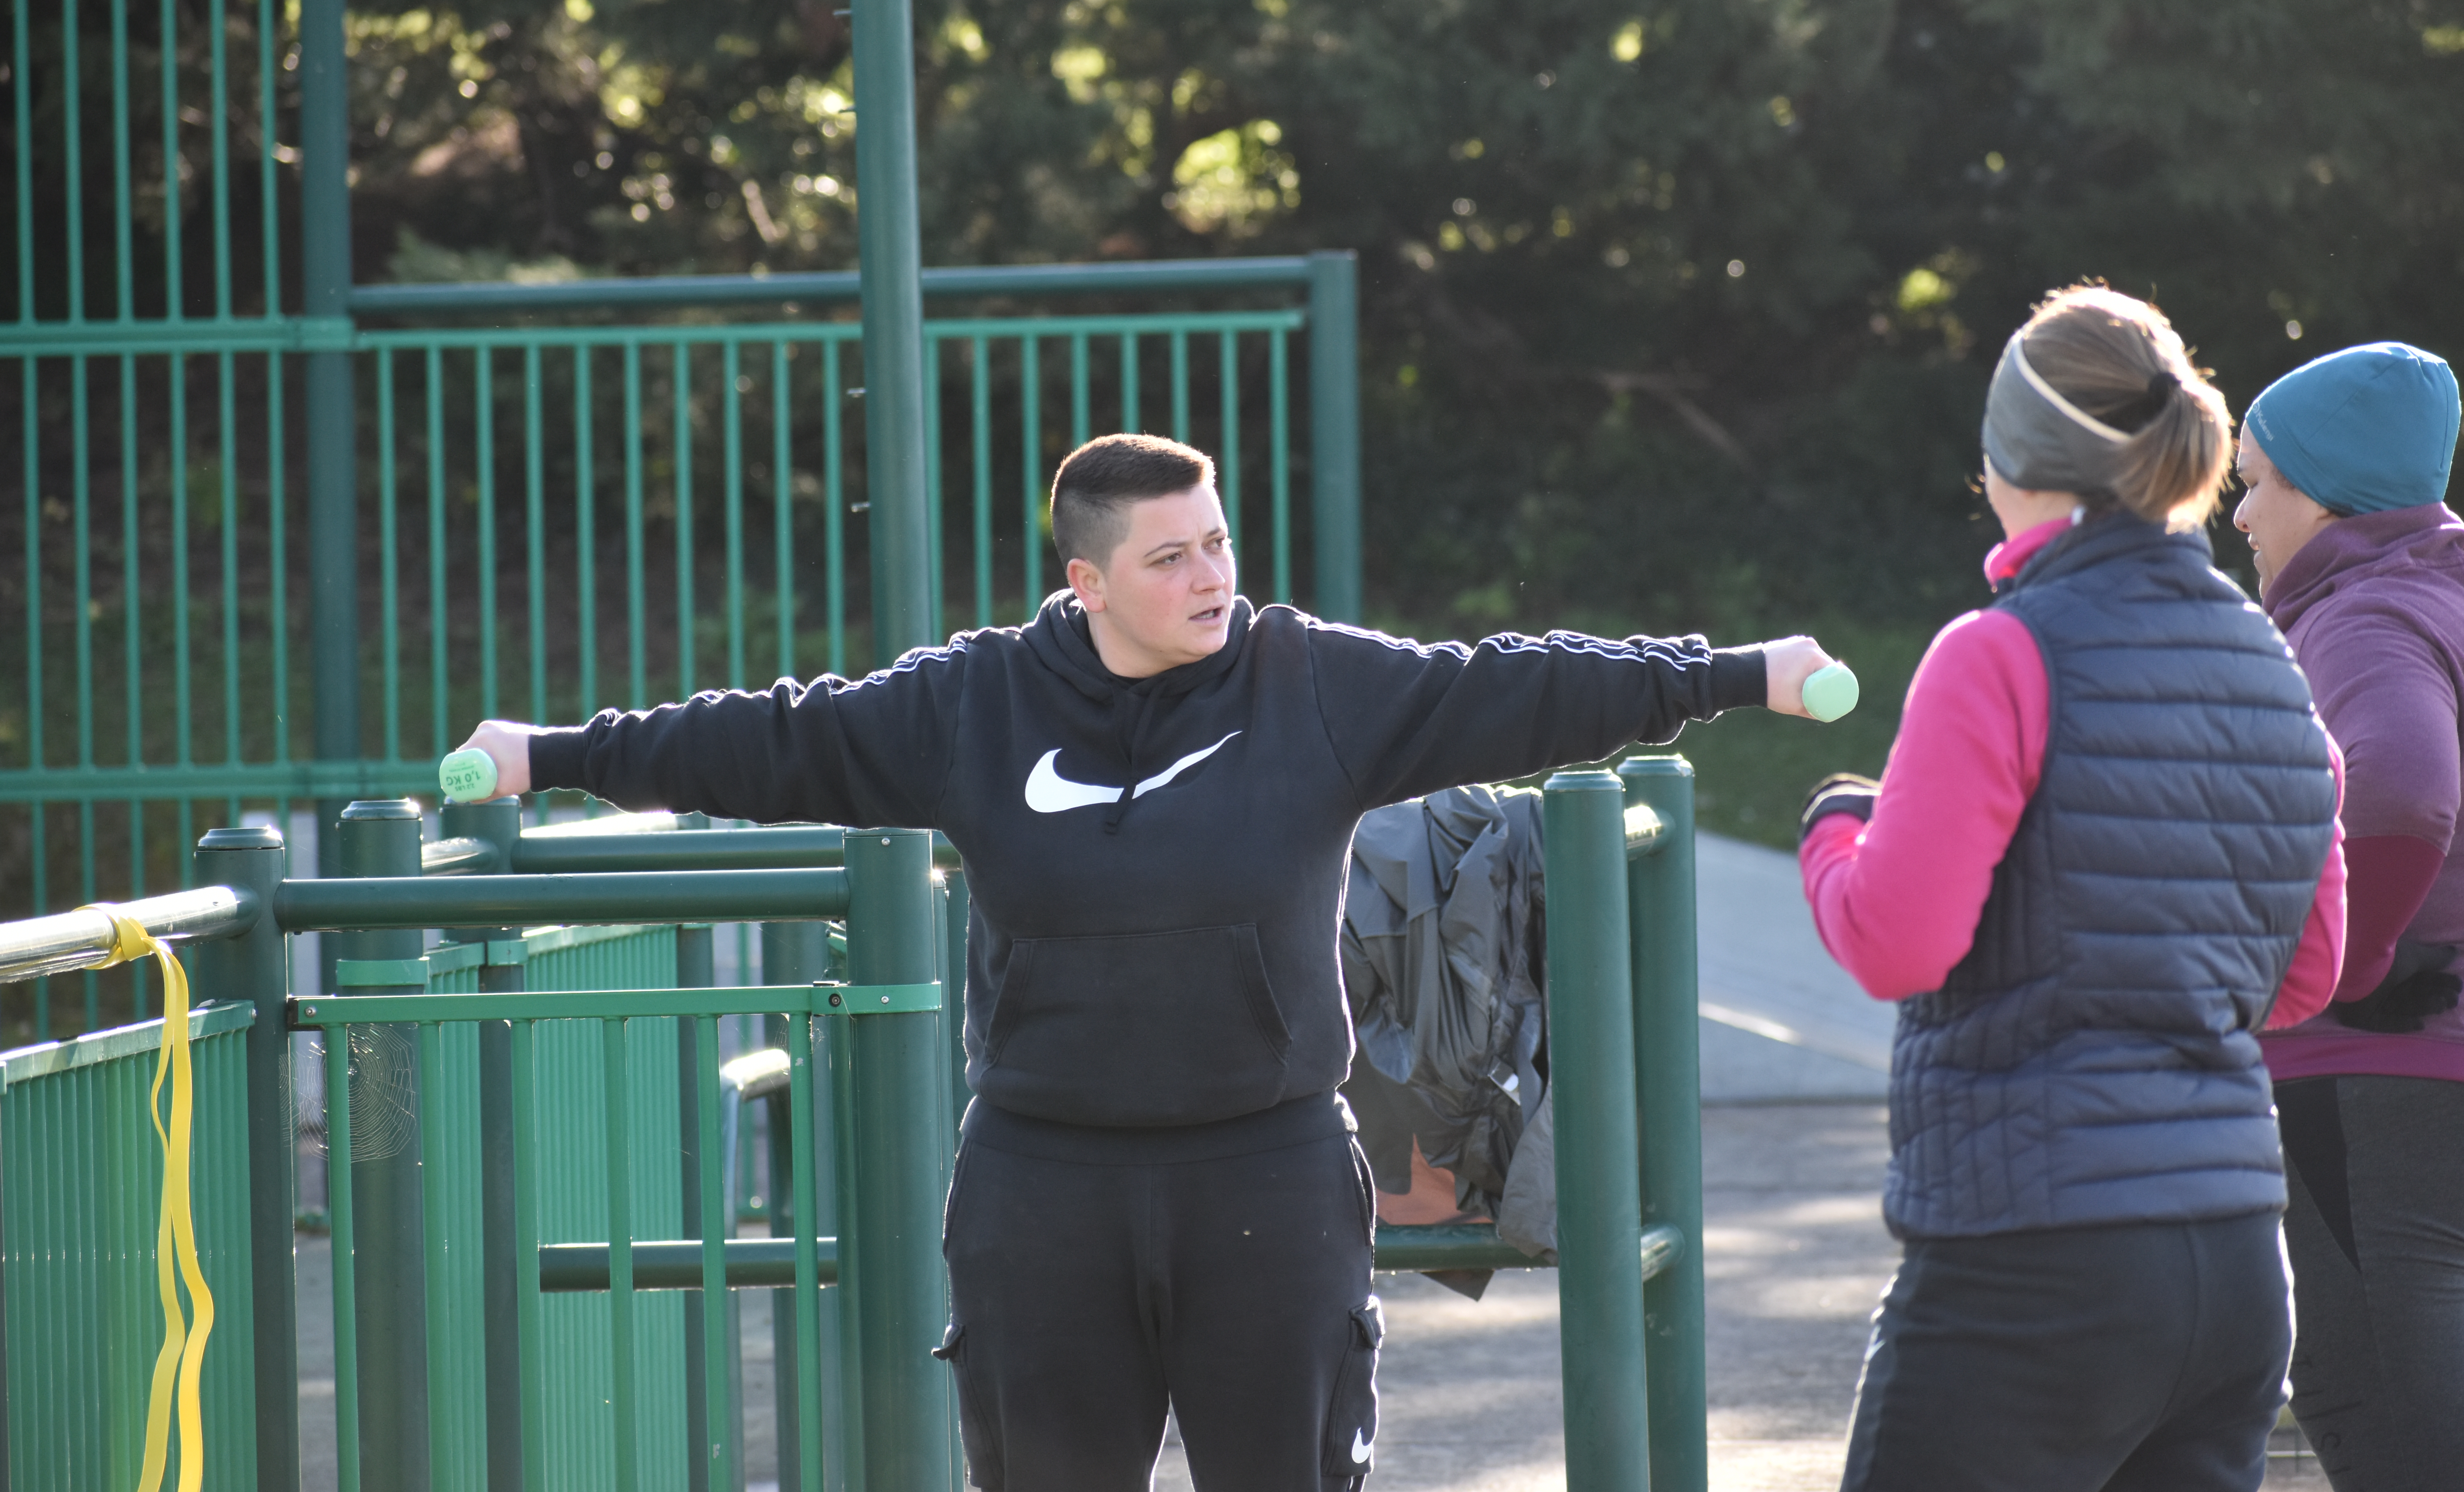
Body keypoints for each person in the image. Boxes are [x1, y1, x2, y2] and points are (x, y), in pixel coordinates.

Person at [455, 431, 1838, 1492]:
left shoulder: (1308, 683)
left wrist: (1732, 672)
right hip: (1044, 1184)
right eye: (1171, 557)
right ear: (1089, 580)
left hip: (1267, 1170)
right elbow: (771, 736)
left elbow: (1515, 682)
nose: (1213, 578)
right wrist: (560, 757)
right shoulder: (978, 703)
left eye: (1220, 543)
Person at [1796, 286, 2348, 1492]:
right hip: (2237, 1266)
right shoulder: (2275, 669)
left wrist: (1836, 833)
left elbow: (1897, 944)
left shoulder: (1998, 652)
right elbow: (2304, 978)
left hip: (2033, 1257)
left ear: (2013, 461)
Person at [2232, 341, 2464, 1492]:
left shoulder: (2360, 618)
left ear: (2325, 497)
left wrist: (2346, 968)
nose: (2239, 512)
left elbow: (2406, 786)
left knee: (2361, 1379)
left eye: (2258, 480)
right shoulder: (2442, 591)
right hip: (2435, 1061)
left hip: (2379, 1064)